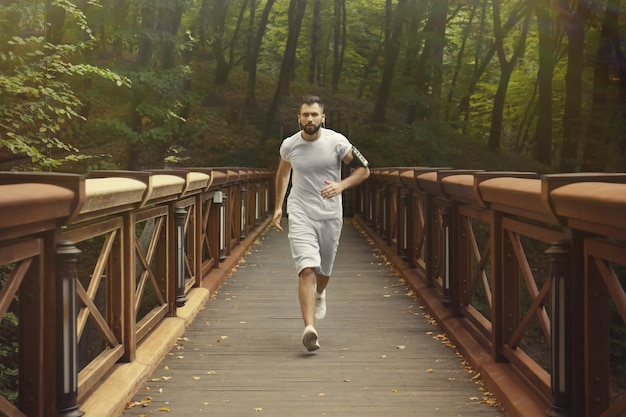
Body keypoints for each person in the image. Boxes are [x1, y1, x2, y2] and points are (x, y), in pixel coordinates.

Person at [272, 95, 370, 352]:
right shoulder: (290, 145)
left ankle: (320, 293)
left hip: (329, 215)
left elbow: (364, 169)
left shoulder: (337, 142)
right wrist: (278, 207)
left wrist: (341, 185)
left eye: (314, 115)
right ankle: (309, 329)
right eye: (305, 115)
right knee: (307, 269)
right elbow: (283, 174)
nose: (310, 119)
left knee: (324, 271)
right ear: (299, 118)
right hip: (300, 211)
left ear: (323, 118)